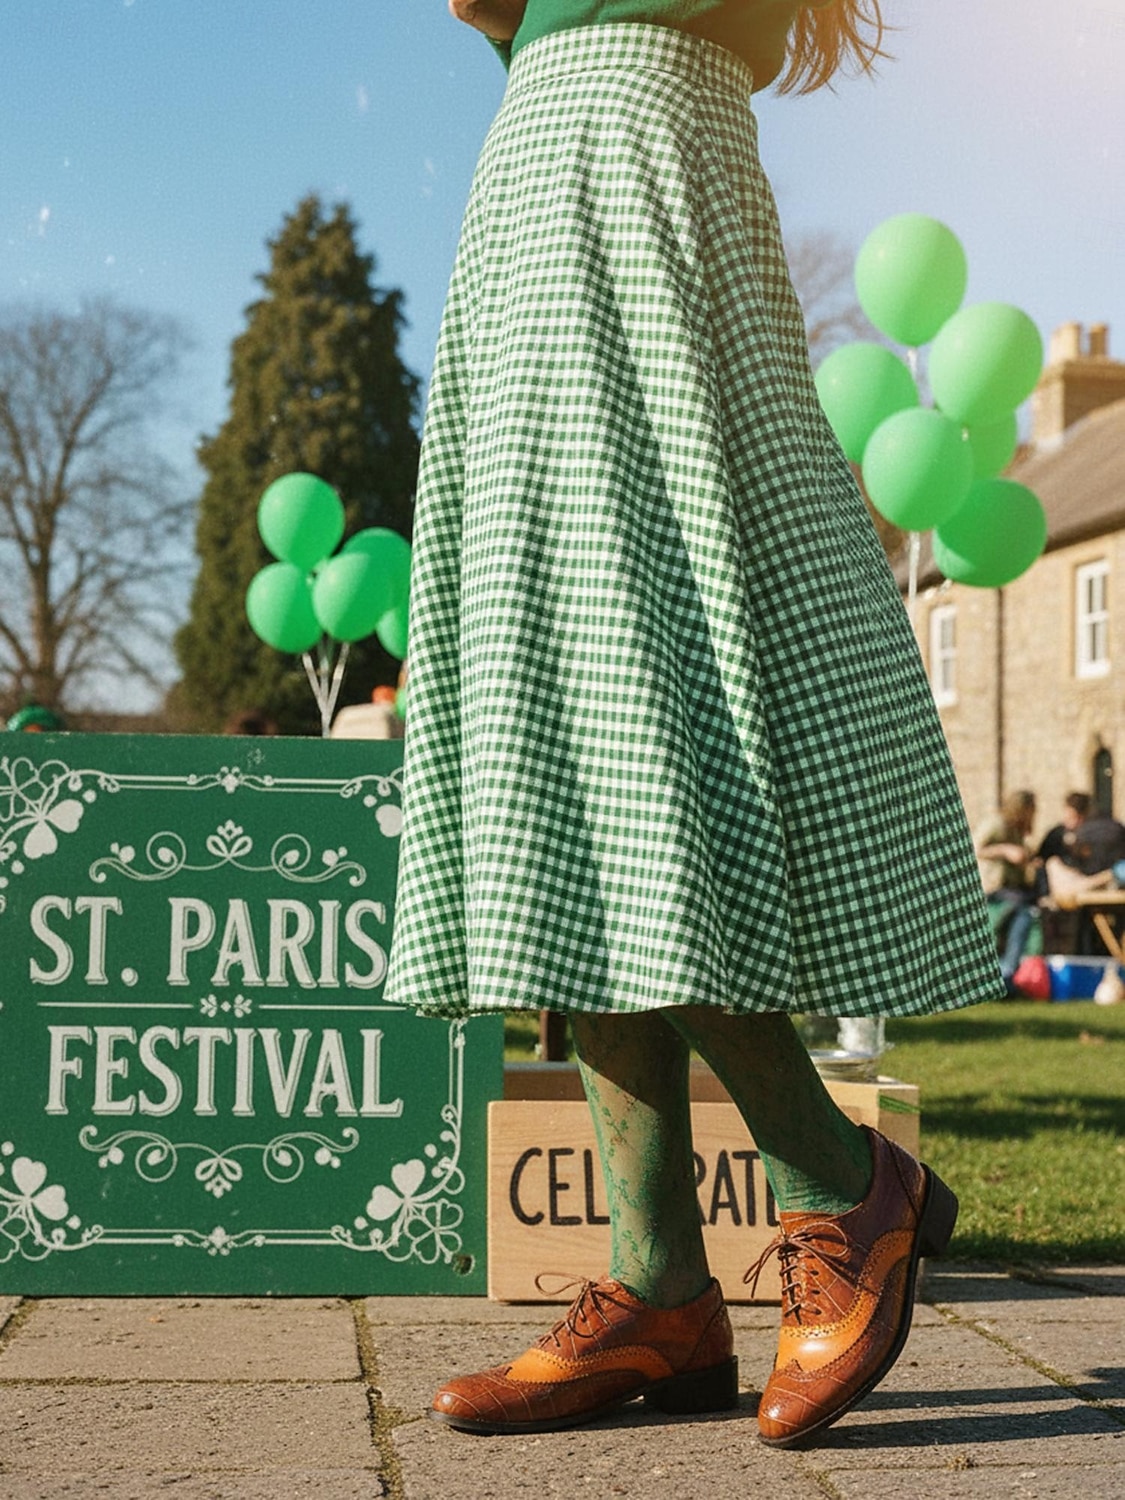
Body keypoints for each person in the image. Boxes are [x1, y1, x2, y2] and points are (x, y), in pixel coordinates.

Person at [385, 0, 1004, 1449]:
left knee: (640, 716)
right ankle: (660, 1289)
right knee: (568, 721)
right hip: (544, 159)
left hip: (634, 159)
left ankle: (837, 1179)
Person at [975, 789, 1038, 992]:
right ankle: (1007, 973)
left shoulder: (1016, 831)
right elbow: (974, 848)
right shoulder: (995, 824)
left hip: (1010, 889)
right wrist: (1005, 851)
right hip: (992, 889)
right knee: (1023, 912)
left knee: (1027, 915)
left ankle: (1008, 973)